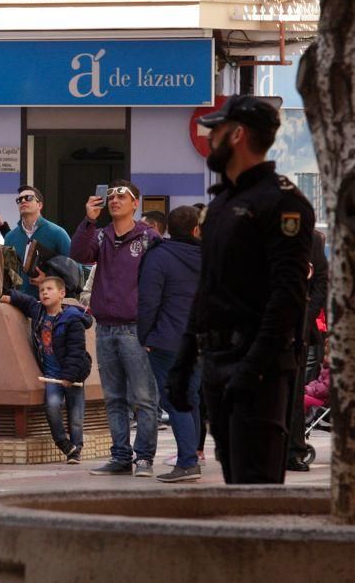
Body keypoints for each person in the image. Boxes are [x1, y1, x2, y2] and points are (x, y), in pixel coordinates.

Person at [167, 95, 315, 485]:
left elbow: (287, 296)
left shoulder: (282, 203)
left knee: (255, 487)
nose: (210, 139)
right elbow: (207, 287)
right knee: (235, 479)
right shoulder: (221, 205)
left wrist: (253, 367)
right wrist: (184, 360)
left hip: (258, 367)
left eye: (215, 131)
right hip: (217, 359)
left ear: (237, 134)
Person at [71, 179, 161, 477]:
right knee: (114, 398)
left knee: (144, 398)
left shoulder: (148, 237)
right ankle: (120, 456)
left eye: (122, 196)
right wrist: (88, 220)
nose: (114, 200)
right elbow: (79, 255)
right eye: (110, 196)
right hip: (106, 327)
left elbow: (160, 281)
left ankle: (144, 457)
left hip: (136, 329)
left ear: (136, 202)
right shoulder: (100, 236)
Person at [137, 206, 203, 483]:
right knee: (190, 398)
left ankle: (188, 462)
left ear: (167, 229)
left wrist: (145, 336)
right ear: (196, 230)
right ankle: (193, 456)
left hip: (167, 340)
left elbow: (148, 300)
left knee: (176, 401)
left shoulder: (159, 256)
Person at [1, 276, 93, 464]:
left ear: (62, 294)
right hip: (51, 376)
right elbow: (25, 301)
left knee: (76, 416)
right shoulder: (39, 312)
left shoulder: (73, 320)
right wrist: (9, 296)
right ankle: (65, 445)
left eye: (49, 289)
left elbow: (76, 351)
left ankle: (76, 451)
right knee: (52, 407)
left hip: (74, 374)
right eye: (42, 290)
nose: (44, 293)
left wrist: (69, 375)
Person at [286, 228, 330, 472]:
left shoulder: (312, 239)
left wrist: (306, 317)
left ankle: (293, 451)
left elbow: (321, 281)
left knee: (294, 394)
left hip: (299, 331)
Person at [3, 185, 72, 298]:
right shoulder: (10, 237)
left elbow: (74, 269)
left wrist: (48, 280)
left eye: (28, 198)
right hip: (18, 302)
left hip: (50, 304)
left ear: (39, 205)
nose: (23, 201)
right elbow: (6, 274)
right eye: (19, 200)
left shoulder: (57, 233)